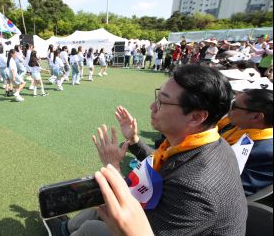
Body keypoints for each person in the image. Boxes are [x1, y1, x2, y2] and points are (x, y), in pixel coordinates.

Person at [56, 65, 247, 236]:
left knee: (91, 228)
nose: (153, 106)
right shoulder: (208, 142)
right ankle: (65, 230)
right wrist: (134, 140)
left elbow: (143, 230)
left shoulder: (194, 187)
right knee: (98, 207)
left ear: (196, 117)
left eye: (162, 102)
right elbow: (164, 164)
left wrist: (113, 169)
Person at [221, 89, 273, 196]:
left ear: (256, 117)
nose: (229, 108)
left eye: (234, 106)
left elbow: (233, 190)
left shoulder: (265, 154)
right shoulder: (239, 123)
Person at [95, 164, 154, 236]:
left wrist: (141, 233)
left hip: (139, 222)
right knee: (91, 212)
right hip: (128, 203)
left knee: (87, 228)